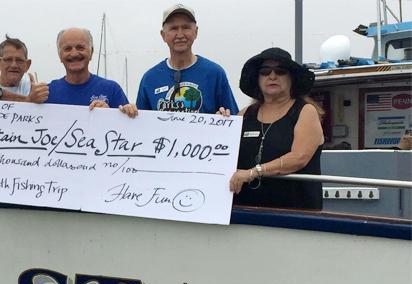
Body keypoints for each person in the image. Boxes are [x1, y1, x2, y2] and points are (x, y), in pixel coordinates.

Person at [226, 47, 324, 210]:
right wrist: (219, 123)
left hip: (294, 213)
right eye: (265, 71)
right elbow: (223, 152)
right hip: (245, 211)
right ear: (257, 78)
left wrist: (254, 172)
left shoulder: (305, 111)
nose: (272, 76)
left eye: (280, 71)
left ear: (291, 77)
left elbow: (298, 158)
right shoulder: (244, 114)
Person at [136, 4, 238, 114]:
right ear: (163, 35)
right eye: (173, 28)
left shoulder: (215, 74)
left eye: (186, 27)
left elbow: (233, 120)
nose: (180, 35)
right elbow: (140, 126)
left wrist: (225, 117)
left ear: (196, 32)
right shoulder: (150, 79)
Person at [47, 27, 137, 118]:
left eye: (80, 47)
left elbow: (128, 127)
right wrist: (31, 100)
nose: (74, 53)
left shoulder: (112, 90)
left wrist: (123, 113)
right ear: (60, 55)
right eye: (67, 49)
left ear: (91, 52)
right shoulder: (47, 93)